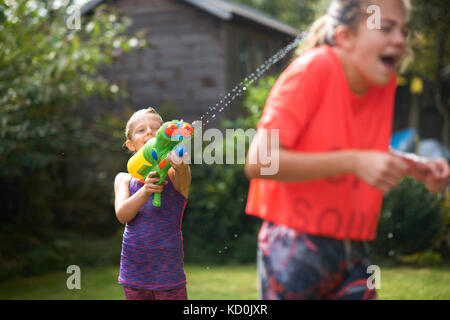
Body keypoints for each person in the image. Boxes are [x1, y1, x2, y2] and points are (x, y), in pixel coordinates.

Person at [245, 0, 450, 300]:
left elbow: (362, 154)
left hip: (352, 244)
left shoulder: (382, 83)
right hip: (294, 241)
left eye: (404, 31)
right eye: (386, 27)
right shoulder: (313, 69)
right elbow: (259, 161)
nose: (400, 40)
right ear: (346, 37)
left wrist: (414, 165)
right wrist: (354, 162)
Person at [114, 107, 191, 300]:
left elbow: (184, 182)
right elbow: (123, 215)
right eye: (141, 130)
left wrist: (180, 165)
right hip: (134, 271)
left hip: (168, 273)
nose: (149, 132)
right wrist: (145, 190)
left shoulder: (173, 173)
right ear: (130, 145)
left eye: (156, 128)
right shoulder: (124, 179)